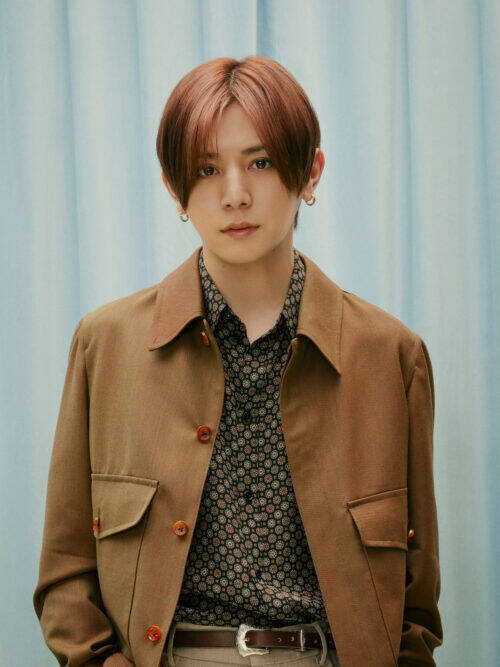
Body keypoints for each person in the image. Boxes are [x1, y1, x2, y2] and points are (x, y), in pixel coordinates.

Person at [33, 56, 443, 667]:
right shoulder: (105, 346)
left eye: (261, 162)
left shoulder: (391, 356)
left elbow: (417, 599)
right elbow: (66, 572)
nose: (235, 195)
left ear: (310, 172)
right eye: (206, 169)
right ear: (173, 187)